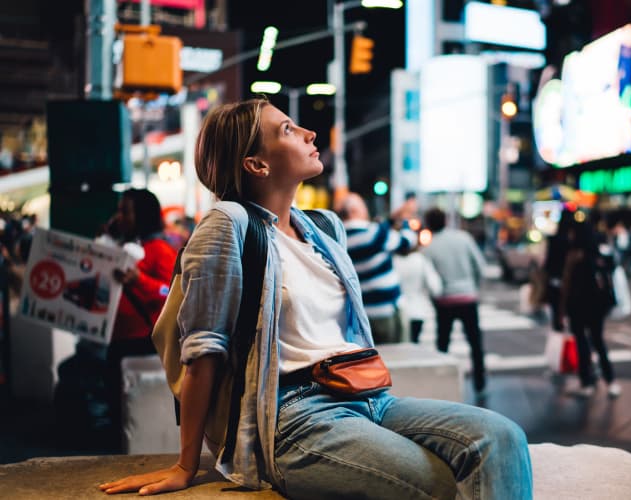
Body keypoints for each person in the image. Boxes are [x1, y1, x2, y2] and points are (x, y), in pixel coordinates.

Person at [99, 98, 532, 498]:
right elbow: (203, 350)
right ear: (256, 163)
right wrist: (185, 465)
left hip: (367, 396)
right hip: (295, 416)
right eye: (288, 129)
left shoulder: (323, 229)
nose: (310, 133)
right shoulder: (226, 224)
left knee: (501, 437)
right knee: (433, 483)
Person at [103, 188, 178, 450]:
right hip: (119, 340)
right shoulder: (126, 248)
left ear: (142, 214)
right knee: (117, 405)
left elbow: (169, 291)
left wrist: (140, 281)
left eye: (125, 210)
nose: (119, 216)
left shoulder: (160, 250)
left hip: (142, 343)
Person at [422, 207, 488, 397]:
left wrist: (437, 297)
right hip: (468, 298)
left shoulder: (430, 248)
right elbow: (480, 266)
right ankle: (480, 382)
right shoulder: (464, 238)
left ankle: (444, 382)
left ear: (429, 224)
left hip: (445, 301)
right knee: (475, 342)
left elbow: (430, 281)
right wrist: (473, 287)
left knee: (443, 343)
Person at [337, 192, 418, 343]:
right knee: (396, 358)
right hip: (386, 310)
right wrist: (405, 220)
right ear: (354, 211)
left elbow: (382, 229)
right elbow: (408, 241)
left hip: (360, 315)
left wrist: (394, 218)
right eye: (363, 206)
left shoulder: (340, 240)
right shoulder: (373, 233)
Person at [560, 213, 621, 398]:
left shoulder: (573, 256)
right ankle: (610, 381)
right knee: (598, 342)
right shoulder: (599, 253)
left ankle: (587, 381)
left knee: (582, 343)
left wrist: (561, 311)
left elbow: (566, 284)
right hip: (597, 306)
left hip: (577, 306)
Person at [393, 241, 442, 343]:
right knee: (414, 340)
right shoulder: (420, 260)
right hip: (418, 309)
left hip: (398, 309)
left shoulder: (392, 261)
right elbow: (435, 286)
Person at [540, 208, 572, 331]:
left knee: (556, 308)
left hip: (555, 278)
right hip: (569, 280)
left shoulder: (554, 239)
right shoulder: (573, 240)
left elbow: (548, 261)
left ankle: (558, 327)